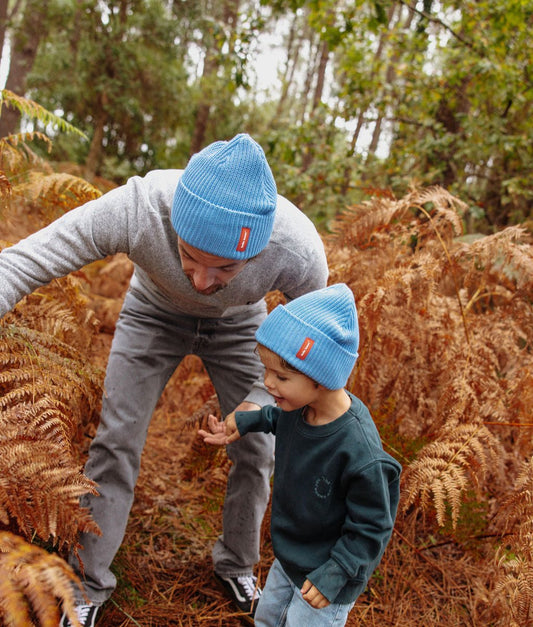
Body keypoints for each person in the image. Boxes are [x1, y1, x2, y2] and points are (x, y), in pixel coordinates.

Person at [0, 133, 329, 626]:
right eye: (189, 256)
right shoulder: (139, 208)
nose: (201, 281)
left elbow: (313, 348)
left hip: (241, 326)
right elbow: (26, 260)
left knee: (258, 448)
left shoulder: (296, 249)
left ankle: (237, 565)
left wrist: (257, 405)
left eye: (225, 268)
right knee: (116, 440)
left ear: (258, 251)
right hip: (152, 314)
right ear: (175, 222)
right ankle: (87, 584)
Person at [199, 283, 402, 626]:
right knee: (268, 617)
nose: (268, 384)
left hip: (327, 576)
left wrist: (336, 573)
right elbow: (278, 418)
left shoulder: (359, 451)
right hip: (290, 557)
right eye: (265, 371)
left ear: (320, 377)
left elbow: (372, 526)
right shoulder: (299, 407)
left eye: (280, 375)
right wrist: (246, 421)